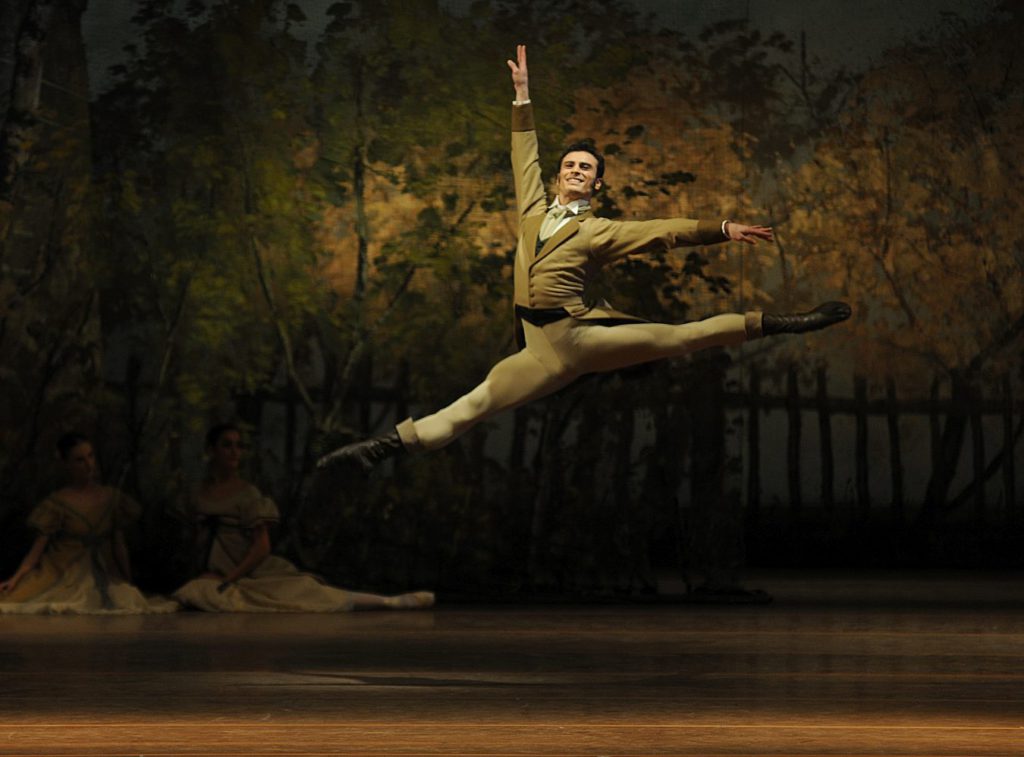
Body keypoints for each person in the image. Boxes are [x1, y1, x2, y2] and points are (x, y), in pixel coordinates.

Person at [317, 44, 850, 472]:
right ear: (559, 174)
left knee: (682, 337)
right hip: (539, 352)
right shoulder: (531, 211)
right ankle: (381, 449)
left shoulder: (598, 231)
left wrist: (722, 229)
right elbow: (521, 156)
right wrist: (522, 97)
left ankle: (785, 322)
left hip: (582, 337)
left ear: (598, 182)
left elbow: (661, 231)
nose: (574, 169)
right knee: (473, 405)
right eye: (569, 163)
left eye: (585, 167)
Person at [172, 423, 434, 612]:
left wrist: (229, 579)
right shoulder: (200, 493)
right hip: (214, 573)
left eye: (238, 446)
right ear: (211, 450)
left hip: (246, 572)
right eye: (226, 445)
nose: (234, 452)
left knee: (310, 594)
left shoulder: (247, 494)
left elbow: (261, 546)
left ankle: (390, 601)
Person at [0, 433, 178, 614]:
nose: (88, 464)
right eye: (79, 460)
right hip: (65, 571)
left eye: (90, 456)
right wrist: (15, 579)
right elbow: (36, 550)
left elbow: (119, 544)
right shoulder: (57, 503)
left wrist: (127, 579)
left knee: (123, 597)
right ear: (66, 464)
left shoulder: (111, 498)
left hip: (103, 571)